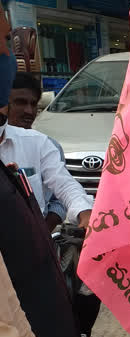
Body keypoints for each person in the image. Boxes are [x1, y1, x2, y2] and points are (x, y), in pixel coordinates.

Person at [0, 0, 104, 337]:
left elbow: (66, 188)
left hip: (34, 271)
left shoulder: (36, 145)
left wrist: (87, 216)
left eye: (10, 41)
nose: (10, 50)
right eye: (6, 42)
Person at [8, 71, 70, 231]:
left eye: (33, 104)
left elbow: (60, 198)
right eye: (20, 102)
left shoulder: (48, 145)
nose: (29, 111)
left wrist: (41, 232)